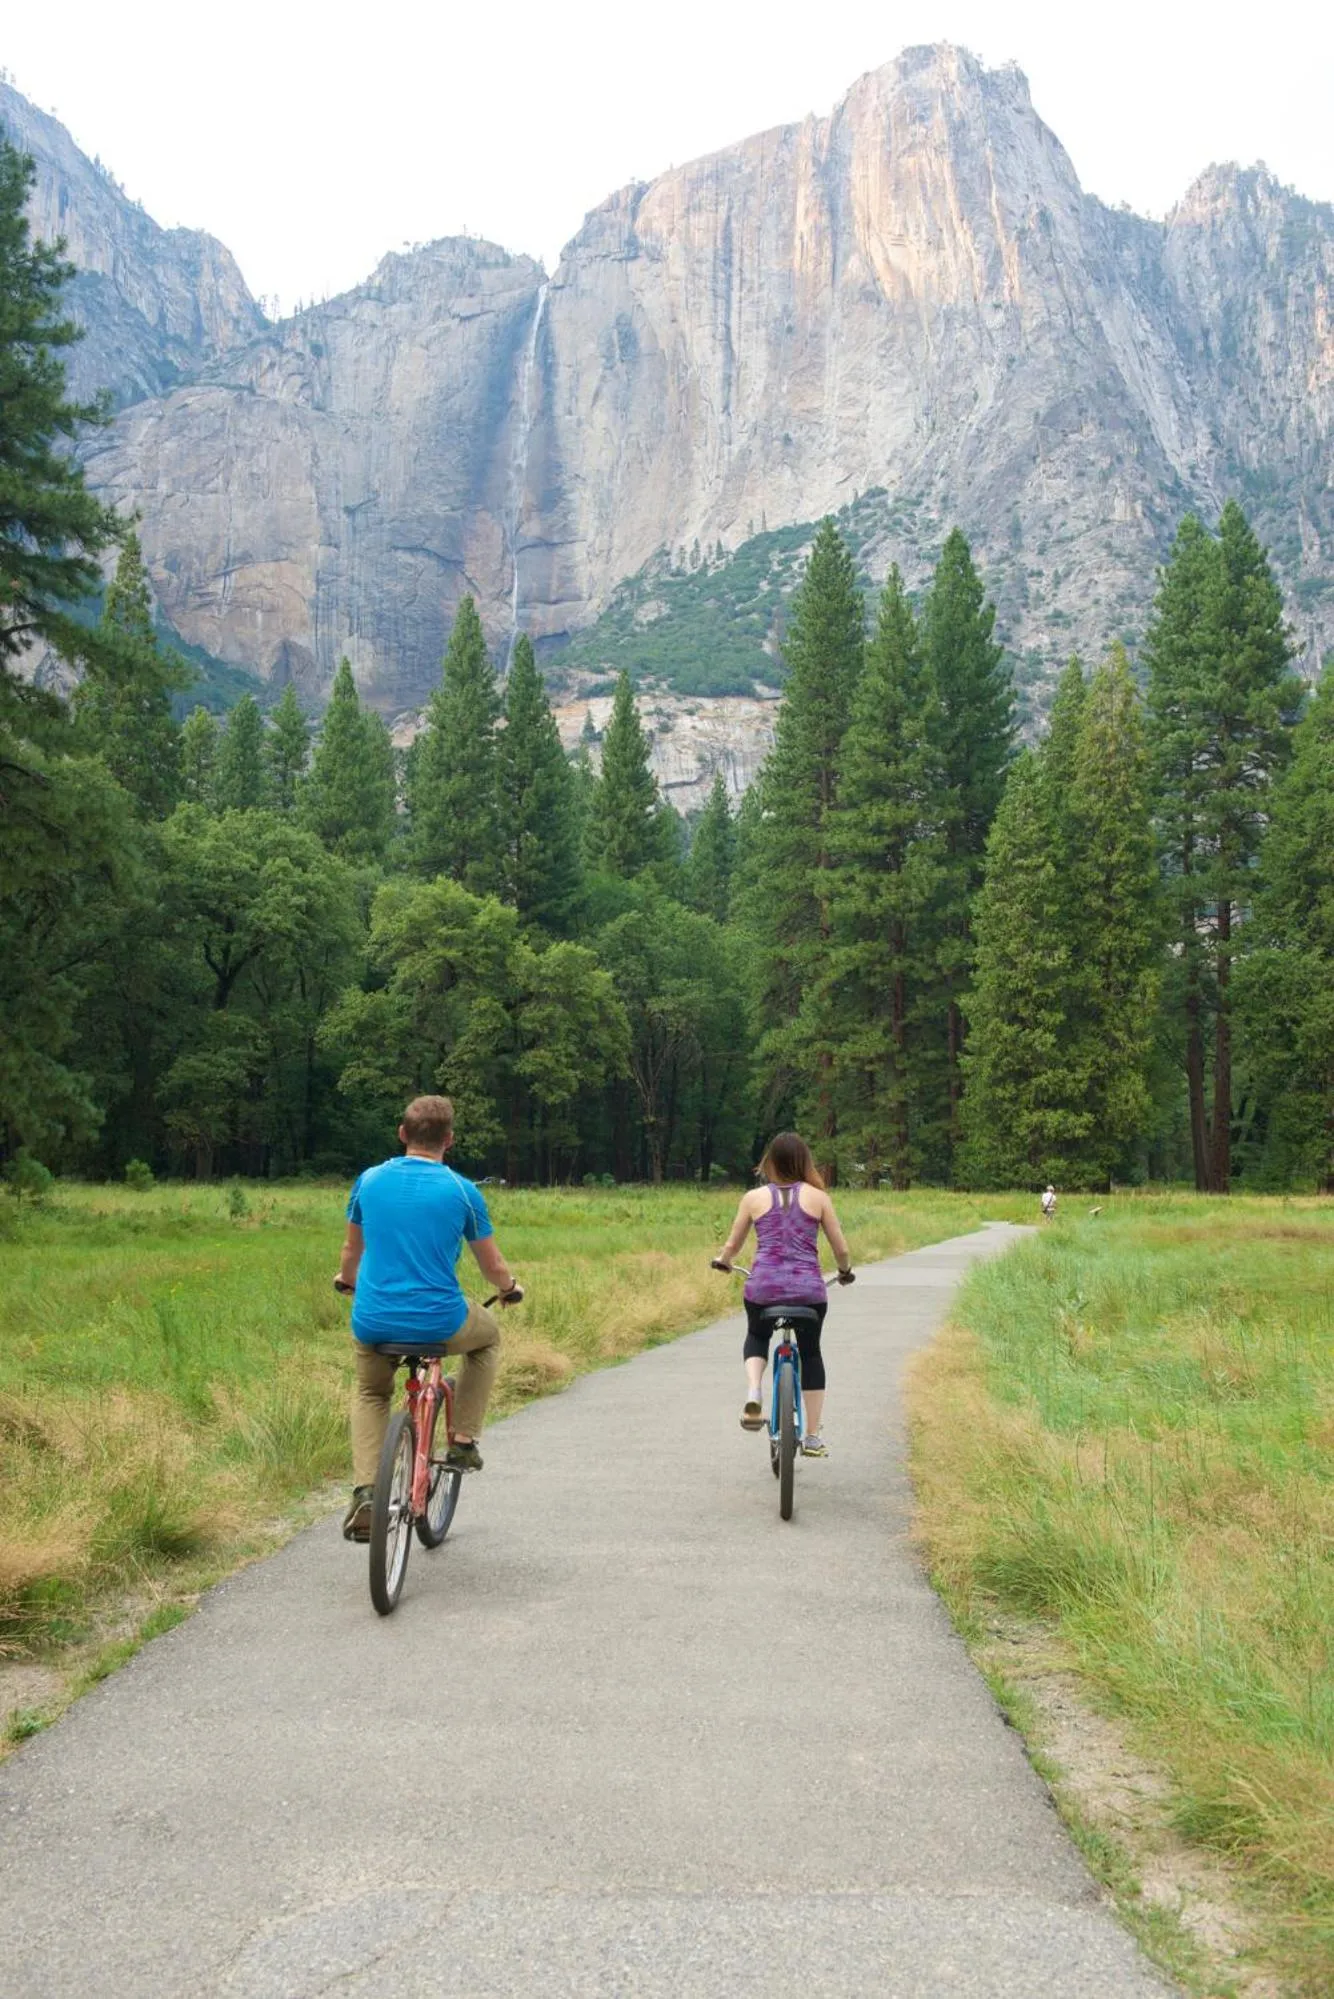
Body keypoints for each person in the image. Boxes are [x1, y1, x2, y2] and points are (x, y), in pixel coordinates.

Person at [334, 1094, 522, 1543]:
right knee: (488, 1338)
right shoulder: (462, 1190)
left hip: (375, 1321)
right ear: (449, 1140)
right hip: (441, 1321)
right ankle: (461, 1442)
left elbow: (350, 1252)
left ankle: (365, 1491)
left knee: (370, 1391)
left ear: (402, 1134)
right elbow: (492, 1266)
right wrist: (509, 1288)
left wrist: (346, 1280)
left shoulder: (369, 1180)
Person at [711, 1131, 854, 1458]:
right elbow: (841, 1248)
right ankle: (814, 1436)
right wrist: (845, 1271)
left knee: (757, 1335)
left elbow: (732, 1246)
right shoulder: (819, 1198)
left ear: (770, 1163)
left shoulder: (753, 1198)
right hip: (808, 1292)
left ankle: (753, 1393)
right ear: (805, 1162)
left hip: (764, 1288)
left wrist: (723, 1262)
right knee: (811, 1352)